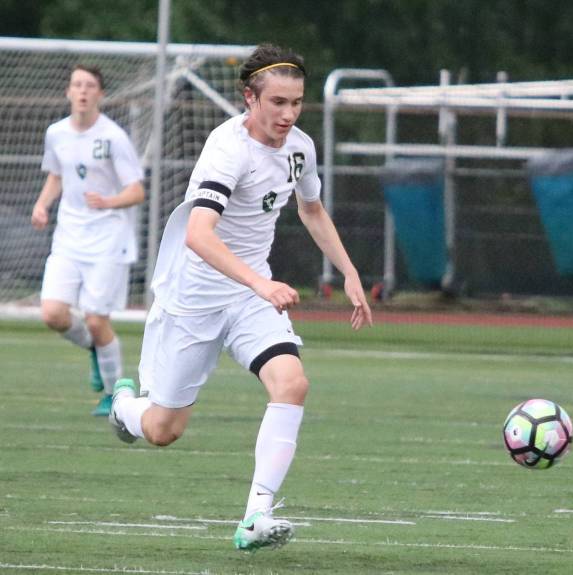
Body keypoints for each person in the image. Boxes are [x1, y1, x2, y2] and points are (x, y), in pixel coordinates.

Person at [108, 44, 373, 550]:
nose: (288, 114)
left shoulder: (300, 148)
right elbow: (198, 235)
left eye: (296, 102)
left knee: (292, 383)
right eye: (277, 102)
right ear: (250, 98)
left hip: (251, 299)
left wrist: (349, 271)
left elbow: (311, 209)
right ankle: (124, 407)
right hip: (194, 300)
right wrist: (260, 283)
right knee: (163, 429)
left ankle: (256, 515)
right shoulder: (227, 149)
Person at [32, 64, 145, 417]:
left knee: (97, 321)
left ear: (100, 94)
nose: (82, 91)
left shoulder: (113, 137)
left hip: (107, 239)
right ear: (68, 91)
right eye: (77, 85)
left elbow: (136, 191)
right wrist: (41, 205)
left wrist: (108, 201)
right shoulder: (56, 133)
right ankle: (96, 348)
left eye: (90, 86)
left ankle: (114, 396)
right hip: (68, 236)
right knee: (53, 313)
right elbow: (56, 175)